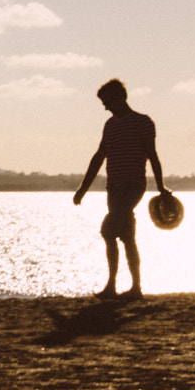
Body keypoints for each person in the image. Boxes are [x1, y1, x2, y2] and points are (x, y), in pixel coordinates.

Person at [72, 78, 169, 298]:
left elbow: (152, 155)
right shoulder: (110, 125)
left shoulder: (143, 122)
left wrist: (161, 186)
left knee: (107, 230)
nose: (105, 107)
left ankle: (113, 286)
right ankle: (132, 288)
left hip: (133, 186)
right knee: (126, 236)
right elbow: (99, 157)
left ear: (121, 97)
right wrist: (82, 189)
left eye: (107, 101)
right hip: (113, 187)